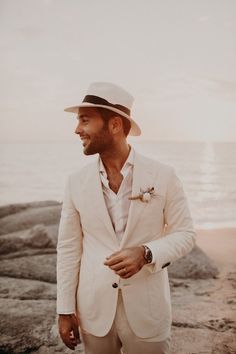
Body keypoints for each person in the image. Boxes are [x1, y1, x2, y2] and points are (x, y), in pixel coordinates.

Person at [56, 82, 196, 354]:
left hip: (148, 312)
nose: (77, 130)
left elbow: (185, 234)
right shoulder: (75, 182)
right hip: (94, 311)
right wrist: (64, 309)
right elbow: (69, 248)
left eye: (85, 120)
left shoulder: (163, 175)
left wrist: (146, 253)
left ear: (115, 125)